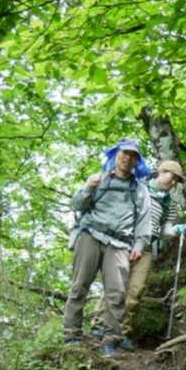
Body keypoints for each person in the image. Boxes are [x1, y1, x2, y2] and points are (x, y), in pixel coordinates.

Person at [63, 139, 152, 357]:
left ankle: (110, 338)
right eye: (124, 153)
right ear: (116, 155)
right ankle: (71, 334)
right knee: (79, 284)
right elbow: (76, 205)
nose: (127, 158)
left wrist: (139, 244)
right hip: (91, 234)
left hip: (120, 243)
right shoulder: (98, 179)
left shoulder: (139, 189)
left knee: (117, 291)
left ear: (136, 161)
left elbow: (144, 219)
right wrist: (87, 188)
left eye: (132, 155)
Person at [92, 159, 186, 348]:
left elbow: (165, 230)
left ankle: (122, 331)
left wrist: (176, 230)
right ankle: (99, 326)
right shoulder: (137, 187)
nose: (173, 183)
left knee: (135, 291)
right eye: (172, 177)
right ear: (161, 172)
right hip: (124, 242)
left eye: (177, 180)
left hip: (146, 249)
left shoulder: (169, 203)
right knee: (115, 285)